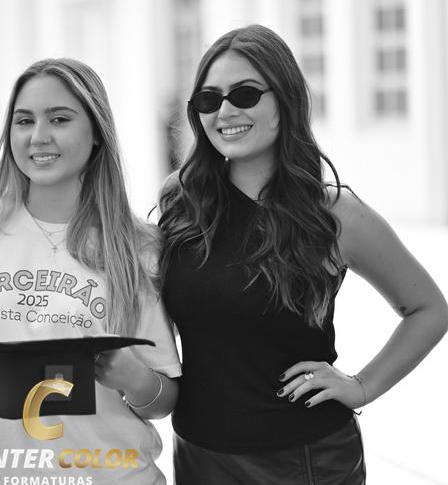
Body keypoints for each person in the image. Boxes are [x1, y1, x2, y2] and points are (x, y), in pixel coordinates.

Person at [158, 24, 448, 484]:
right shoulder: (183, 201)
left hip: (304, 461)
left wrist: (362, 386)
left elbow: (428, 309)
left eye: (245, 94)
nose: (226, 111)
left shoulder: (332, 214)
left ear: (285, 99)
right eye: (209, 100)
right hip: (198, 456)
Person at [0, 58, 181, 484]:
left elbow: (163, 399)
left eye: (59, 119)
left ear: (96, 133)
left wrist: (134, 378)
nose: (39, 136)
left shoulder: (138, 246)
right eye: (24, 121)